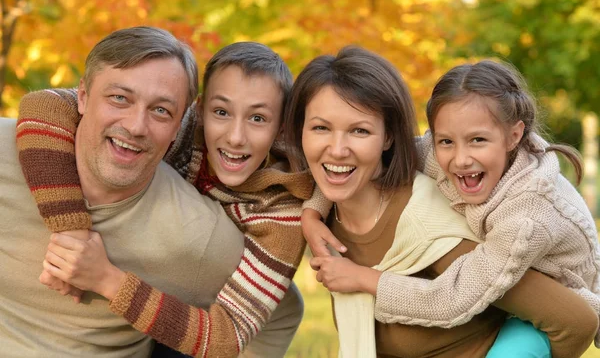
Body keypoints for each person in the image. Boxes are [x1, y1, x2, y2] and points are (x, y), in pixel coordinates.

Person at [15, 32, 323, 357]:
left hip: (197, 308)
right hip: (152, 277)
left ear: (281, 129)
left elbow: (225, 338)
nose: (235, 136)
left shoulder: (282, 211)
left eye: (258, 118)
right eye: (221, 112)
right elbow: (43, 104)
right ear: (200, 110)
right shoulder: (176, 126)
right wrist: (72, 233)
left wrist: (106, 279)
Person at [285, 46, 598, 358]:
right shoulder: (434, 158)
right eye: (321, 128)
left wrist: (364, 278)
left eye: (360, 130)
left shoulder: (519, 217)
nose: (460, 159)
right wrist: (313, 211)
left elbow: (454, 298)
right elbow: (352, 165)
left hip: (569, 283)